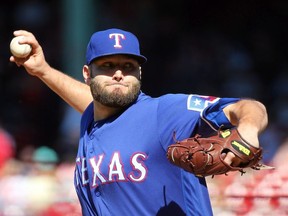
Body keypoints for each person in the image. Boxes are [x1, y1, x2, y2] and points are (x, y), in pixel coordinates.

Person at [10, 28, 268, 216]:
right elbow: (93, 100)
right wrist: (42, 70)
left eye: (128, 66)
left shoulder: (164, 112)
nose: (119, 74)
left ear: (140, 73)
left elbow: (248, 107)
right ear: (87, 74)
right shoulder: (93, 117)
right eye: (108, 65)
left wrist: (247, 129)